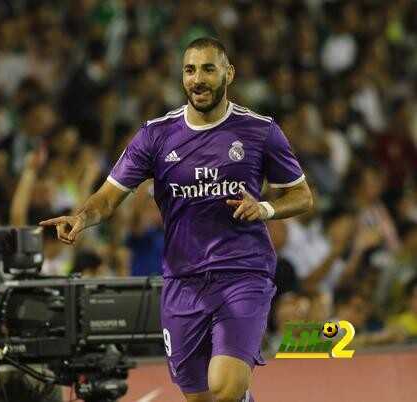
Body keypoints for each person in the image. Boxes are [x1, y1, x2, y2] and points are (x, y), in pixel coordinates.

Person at [41, 37, 313, 402]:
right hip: (182, 280)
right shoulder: (155, 135)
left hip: (242, 272)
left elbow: (301, 195)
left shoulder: (260, 131)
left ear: (228, 73)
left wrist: (264, 209)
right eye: (189, 70)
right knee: (201, 397)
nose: (197, 79)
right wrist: (82, 217)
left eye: (208, 69)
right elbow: (108, 197)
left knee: (225, 386)